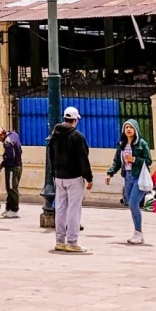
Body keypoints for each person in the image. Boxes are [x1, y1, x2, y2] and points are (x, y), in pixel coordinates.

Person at [49, 106, 93, 253]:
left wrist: (54, 173)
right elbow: (83, 159)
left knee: (60, 208)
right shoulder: (77, 136)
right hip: (74, 177)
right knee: (74, 209)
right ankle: (72, 242)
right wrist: (89, 177)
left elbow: (51, 155)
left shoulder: (55, 134)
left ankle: (59, 240)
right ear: (75, 120)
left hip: (59, 177)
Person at [105, 119, 152, 245]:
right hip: (128, 177)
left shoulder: (142, 144)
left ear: (136, 129)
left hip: (138, 177)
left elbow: (148, 161)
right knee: (129, 203)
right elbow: (117, 162)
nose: (128, 129)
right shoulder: (121, 145)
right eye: (126, 127)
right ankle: (137, 233)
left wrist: (134, 159)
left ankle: (138, 232)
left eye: (131, 127)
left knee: (133, 203)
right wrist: (110, 173)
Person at [0, 126, 23, 219]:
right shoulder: (13, 134)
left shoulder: (7, 142)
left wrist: (2, 164)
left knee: (12, 188)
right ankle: (9, 208)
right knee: (10, 188)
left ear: (1, 135)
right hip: (18, 166)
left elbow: (10, 158)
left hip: (12, 168)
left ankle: (14, 210)